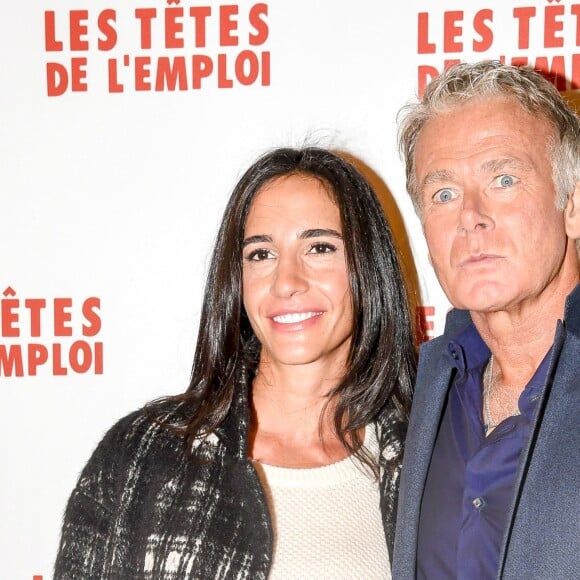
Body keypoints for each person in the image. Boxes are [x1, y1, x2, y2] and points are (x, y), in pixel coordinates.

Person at [54, 147, 416, 579]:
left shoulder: (424, 460)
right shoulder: (143, 455)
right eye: (261, 254)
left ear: (368, 266)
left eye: (319, 247)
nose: (286, 283)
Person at [393, 60, 580, 580]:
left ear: (574, 204)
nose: (470, 216)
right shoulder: (428, 382)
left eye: (503, 179)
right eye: (443, 193)